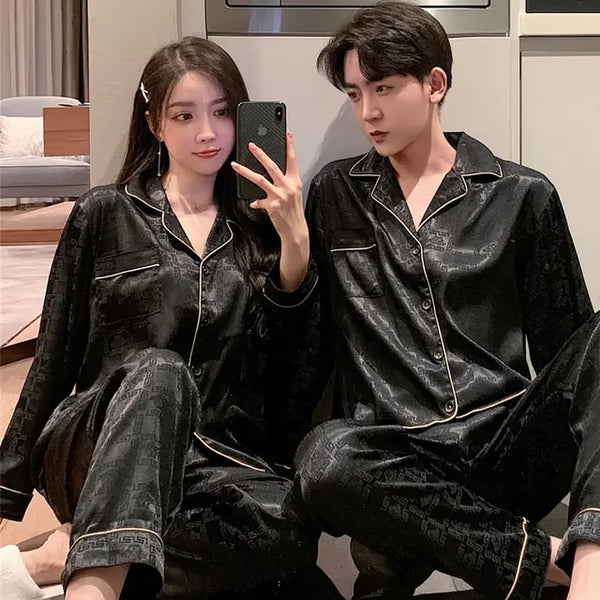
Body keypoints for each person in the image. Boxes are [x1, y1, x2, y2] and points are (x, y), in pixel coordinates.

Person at [0, 37, 340, 600]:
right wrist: (7, 492)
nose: (207, 132)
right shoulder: (105, 212)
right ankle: (91, 589)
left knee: (284, 528)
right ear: (155, 124)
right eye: (184, 116)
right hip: (101, 443)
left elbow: (293, 373)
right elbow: (53, 356)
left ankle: (72, 553)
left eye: (222, 113)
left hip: (212, 462)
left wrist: (295, 247)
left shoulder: (262, 230)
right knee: (159, 372)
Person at [293, 3, 600, 599]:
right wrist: (289, 252)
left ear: (435, 84)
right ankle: (541, 561)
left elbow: (572, 353)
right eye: (354, 94)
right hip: (398, 462)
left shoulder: (521, 195)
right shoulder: (335, 194)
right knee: (324, 458)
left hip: (505, 445)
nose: (367, 111)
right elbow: (309, 350)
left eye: (383, 88)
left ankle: (590, 560)